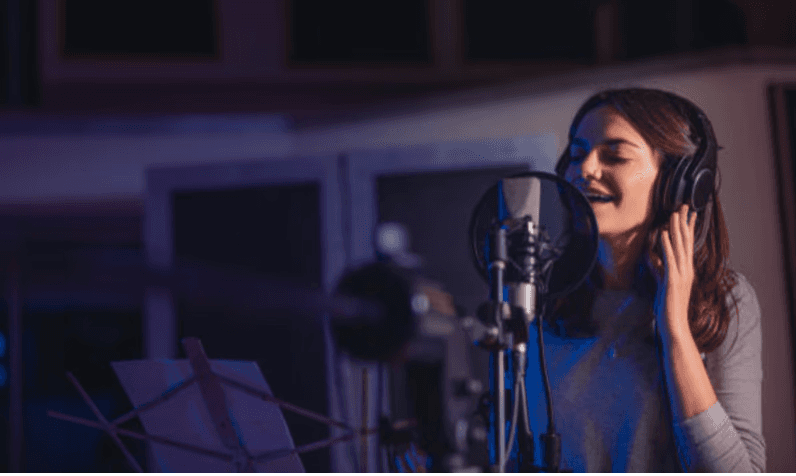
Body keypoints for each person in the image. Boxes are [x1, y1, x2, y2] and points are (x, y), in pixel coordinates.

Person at [518, 88, 764, 472]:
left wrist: (676, 330)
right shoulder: (541, 300)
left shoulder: (726, 301)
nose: (584, 170)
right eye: (578, 154)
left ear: (677, 183)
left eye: (614, 155)